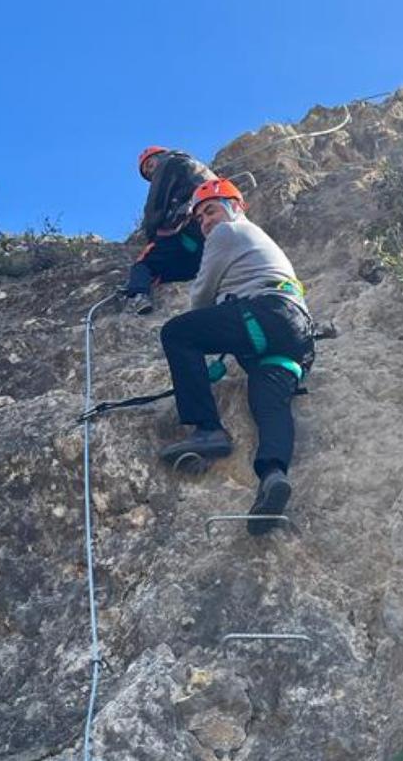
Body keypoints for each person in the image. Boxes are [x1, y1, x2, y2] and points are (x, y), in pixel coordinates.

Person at [157, 178, 315, 534]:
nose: (206, 222)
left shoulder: (227, 233)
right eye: (199, 218)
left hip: (263, 314)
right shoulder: (258, 242)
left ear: (236, 207)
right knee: (268, 403)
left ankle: (207, 430)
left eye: (210, 210)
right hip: (295, 332)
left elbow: (200, 297)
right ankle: (273, 477)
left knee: (177, 333)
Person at [120, 146, 216, 314]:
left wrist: (151, 235)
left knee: (143, 264)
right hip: (207, 227)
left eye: (150, 165)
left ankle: (137, 296)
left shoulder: (167, 164)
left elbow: (155, 205)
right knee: (181, 268)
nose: (151, 172)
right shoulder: (197, 167)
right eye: (147, 172)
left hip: (189, 226)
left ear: (160, 155)